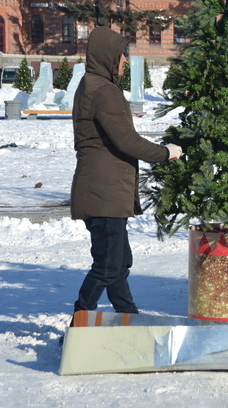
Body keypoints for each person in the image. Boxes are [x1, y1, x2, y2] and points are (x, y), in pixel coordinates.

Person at [71, 26, 182, 316]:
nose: (124, 60)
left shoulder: (92, 84)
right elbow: (127, 140)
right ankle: (79, 319)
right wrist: (165, 153)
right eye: (122, 54)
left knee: (118, 264)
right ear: (109, 56)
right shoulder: (104, 91)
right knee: (108, 266)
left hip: (104, 190)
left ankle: (128, 316)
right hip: (103, 192)